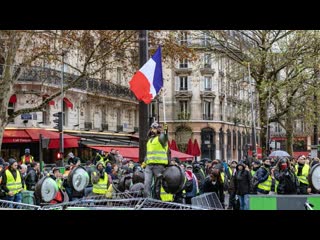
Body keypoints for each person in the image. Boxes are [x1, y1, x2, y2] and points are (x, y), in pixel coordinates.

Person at [143, 121, 169, 199]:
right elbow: (148, 153)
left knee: (157, 186)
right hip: (149, 165)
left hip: (159, 166)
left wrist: (165, 130)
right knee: (147, 183)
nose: (153, 130)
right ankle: (147, 200)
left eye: (155, 128)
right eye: (152, 128)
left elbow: (165, 136)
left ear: (158, 129)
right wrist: (145, 161)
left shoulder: (161, 138)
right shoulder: (149, 140)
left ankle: (156, 200)